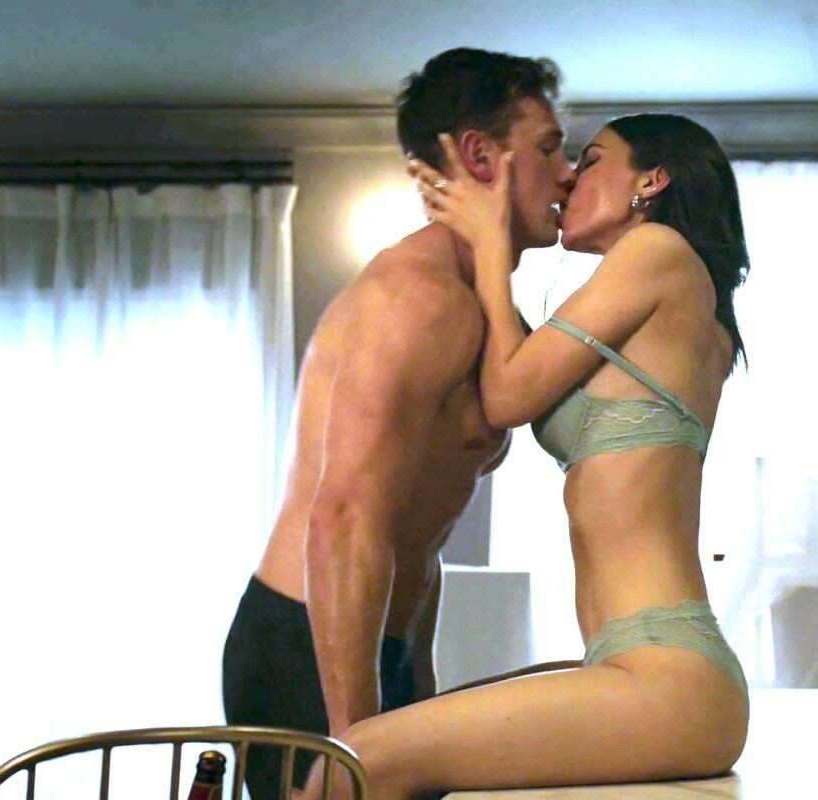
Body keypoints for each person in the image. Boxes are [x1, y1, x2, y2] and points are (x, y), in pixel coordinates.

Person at [301, 112, 753, 800]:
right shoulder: (666, 292)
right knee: (381, 744)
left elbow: (509, 393)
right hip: (640, 668)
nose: (571, 178)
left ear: (652, 181)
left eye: (592, 160)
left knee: (355, 762)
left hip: (668, 675)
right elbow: (512, 372)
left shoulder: (657, 250)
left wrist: (489, 243)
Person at [221, 47, 577, 799]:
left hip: (380, 639)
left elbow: (421, 525)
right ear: (481, 156)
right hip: (306, 646)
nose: (568, 174)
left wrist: (417, 670)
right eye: (549, 149)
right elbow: (345, 518)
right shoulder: (417, 298)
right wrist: (358, 746)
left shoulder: (482, 304)